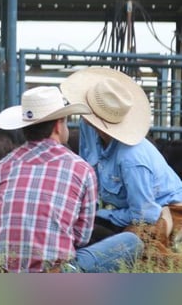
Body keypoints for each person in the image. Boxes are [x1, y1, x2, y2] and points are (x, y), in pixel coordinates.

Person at [0, 85, 143, 273]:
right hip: (55, 271)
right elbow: (81, 237)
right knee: (132, 242)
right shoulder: (82, 169)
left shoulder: (3, 166)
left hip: (5, 269)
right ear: (59, 125)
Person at [60, 66, 182, 254]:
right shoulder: (89, 129)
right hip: (125, 209)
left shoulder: (132, 159)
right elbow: (87, 172)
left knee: (136, 245)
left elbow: (144, 214)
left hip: (163, 210)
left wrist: (99, 214)